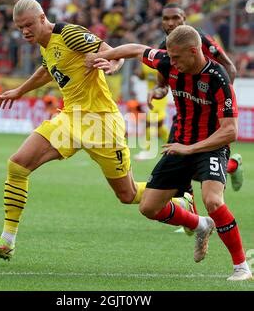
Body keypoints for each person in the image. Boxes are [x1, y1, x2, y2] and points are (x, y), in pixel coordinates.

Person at [0, 0, 193, 261]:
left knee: (127, 194)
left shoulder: (69, 33)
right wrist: (19, 91)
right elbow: (48, 71)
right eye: (20, 28)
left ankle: (179, 202)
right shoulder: (46, 45)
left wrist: (112, 65)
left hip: (101, 122)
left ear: (42, 18)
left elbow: (110, 50)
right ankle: (7, 240)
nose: (25, 31)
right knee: (17, 165)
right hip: (71, 119)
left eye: (28, 25)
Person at [86, 25, 252, 281]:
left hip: (210, 147)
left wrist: (191, 148)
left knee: (213, 200)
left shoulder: (219, 79)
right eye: (169, 57)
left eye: (176, 57)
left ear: (194, 51)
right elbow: (136, 49)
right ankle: (200, 224)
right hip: (180, 146)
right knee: (149, 208)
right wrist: (105, 56)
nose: (170, 62)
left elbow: (230, 131)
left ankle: (241, 267)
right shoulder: (169, 62)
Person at [151, 3, 243, 192]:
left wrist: (223, 102)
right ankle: (231, 167)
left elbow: (230, 67)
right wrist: (158, 92)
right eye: (166, 19)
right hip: (185, 115)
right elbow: (162, 84)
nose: (170, 23)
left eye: (175, 17)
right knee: (179, 166)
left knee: (201, 167)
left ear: (184, 18)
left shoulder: (202, 40)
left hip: (210, 113)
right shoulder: (164, 48)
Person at [133, 64, 169, 161]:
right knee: (160, 126)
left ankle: (147, 151)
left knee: (149, 124)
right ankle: (169, 147)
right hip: (151, 98)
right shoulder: (146, 64)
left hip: (160, 97)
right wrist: (139, 74)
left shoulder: (162, 63)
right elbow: (143, 76)